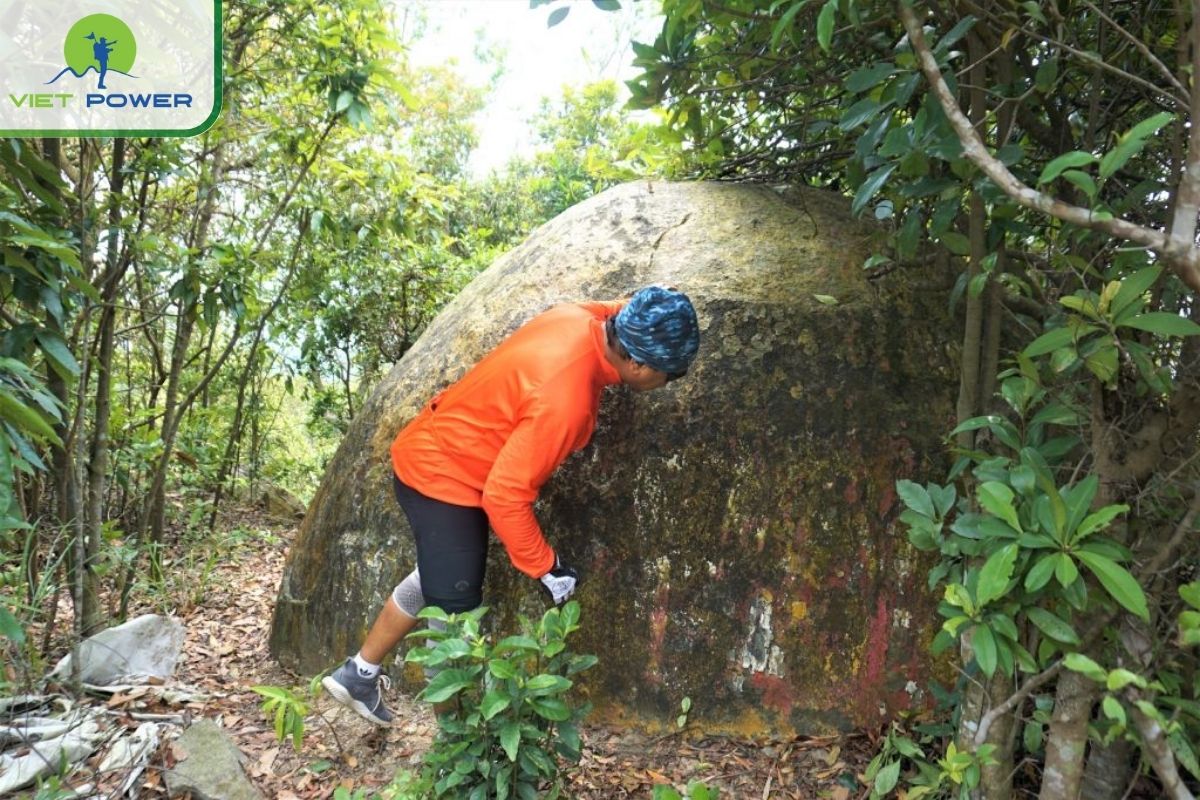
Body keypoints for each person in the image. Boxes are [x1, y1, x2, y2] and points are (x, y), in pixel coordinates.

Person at [321, 286, 700, 725]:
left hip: (442, 453)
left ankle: (358, 675)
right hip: (443, 477)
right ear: (636, 364)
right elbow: (505, 496)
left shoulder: (578, 317)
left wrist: (662, 311)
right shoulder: (566, 401)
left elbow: (621, 305)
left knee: (441, 576)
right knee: (457, 624)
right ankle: (456, 755)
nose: (670, 383)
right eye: (671, 373)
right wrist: (547, 566)